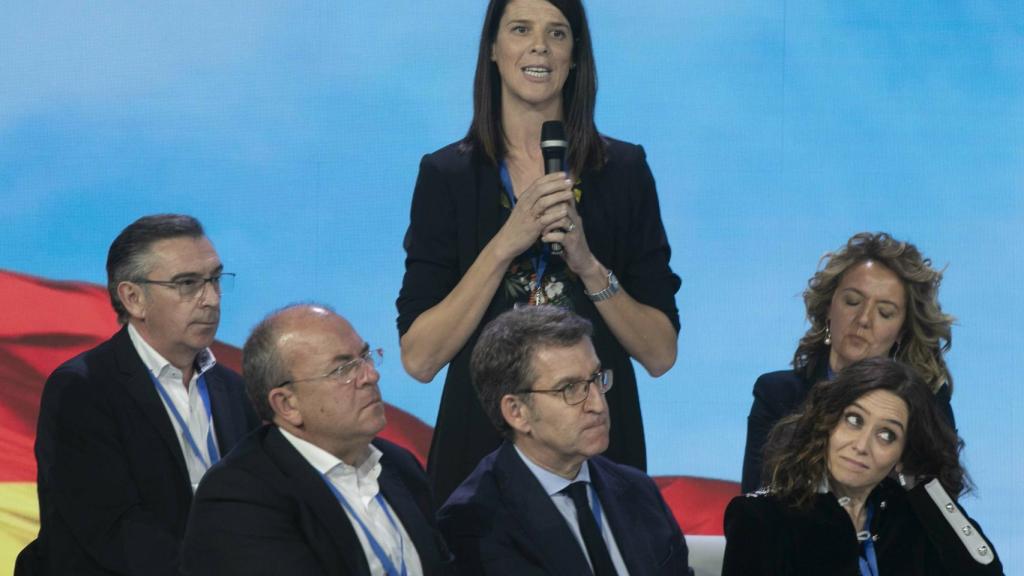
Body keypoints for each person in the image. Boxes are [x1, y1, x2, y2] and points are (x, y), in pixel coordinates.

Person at [397, 0, 681, 506]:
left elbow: (660, 353)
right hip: (480, 466)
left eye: (557, 34)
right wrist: (506, 243)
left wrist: (588, 265)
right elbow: (420, 358)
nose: (539, 47)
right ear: (493, 50)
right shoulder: (448, 177)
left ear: (574, 57)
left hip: (599, 458)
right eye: (521, 29)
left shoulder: (624, 171)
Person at [17, 214, 259, 576]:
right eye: (188, 283)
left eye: (214, 279)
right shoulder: (83, 388)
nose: (210, 299)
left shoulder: (235, 390)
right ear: (133, 298)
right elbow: (111, 528)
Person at [180, 304, 453, 575]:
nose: (371, 375)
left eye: (365, 356)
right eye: (343, 369)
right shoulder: (241, 495)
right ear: (287, 404)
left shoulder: (400, 466)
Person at [438, 306, 691, 575]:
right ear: (517, 412)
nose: (597, 404)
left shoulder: (639, 491)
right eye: (570, 388)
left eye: (595, 379)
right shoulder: (474, 523)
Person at [722, 357, 1003, 575]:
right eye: (854, 420)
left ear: (902, 453)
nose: (862, 445)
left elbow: (984, 572)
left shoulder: (910, 519)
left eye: (886, 435)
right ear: (827, 422)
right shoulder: (760, 518)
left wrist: (921, 485)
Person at [741, 232, 956, 493]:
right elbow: (753, 511)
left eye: (884, 312)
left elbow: (941, 514)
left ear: (901, 331)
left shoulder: (927, 404)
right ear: (829, 306)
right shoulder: (777, 395)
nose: (864, 319)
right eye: (852, 301)